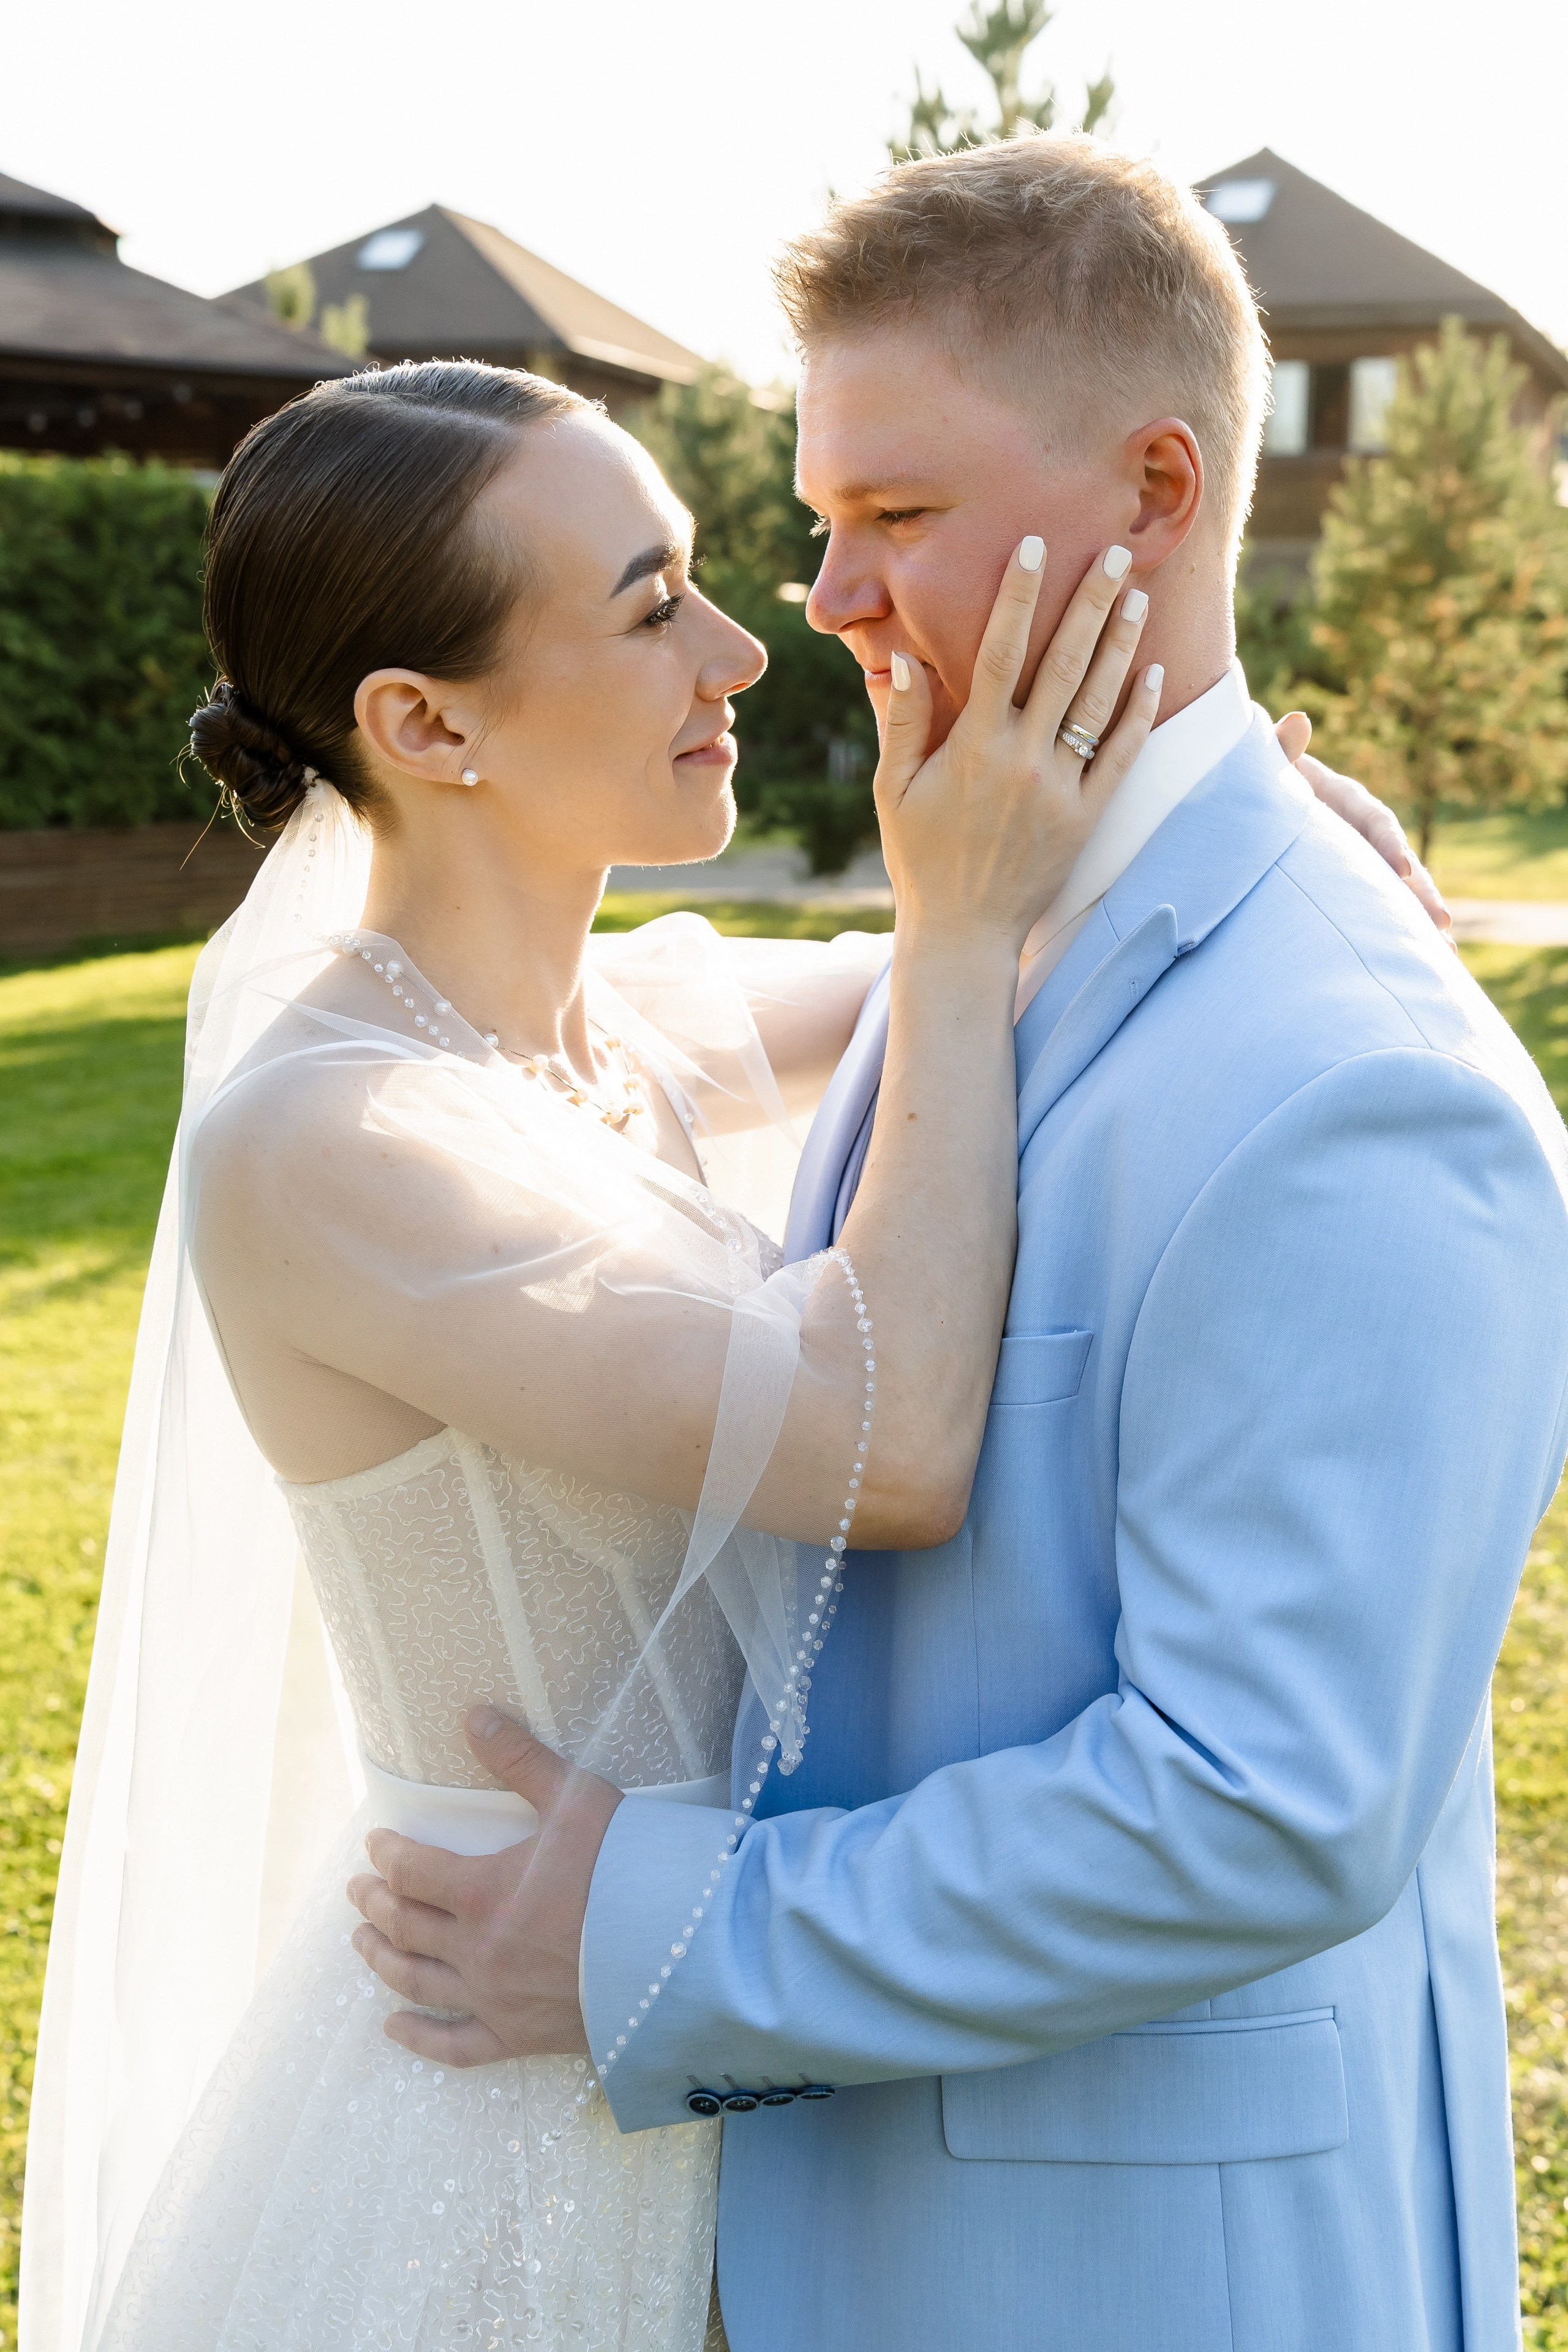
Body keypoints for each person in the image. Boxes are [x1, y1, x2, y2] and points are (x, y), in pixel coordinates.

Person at [343, 141, 1568, 2352]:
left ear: (1162, 493)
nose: (822, 594)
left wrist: (650, 1934)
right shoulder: (966, 921)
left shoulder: (1359, 1079)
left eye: (890, 516)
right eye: (821, 517)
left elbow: (1263, 1808)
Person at [23, 352, 1227, 2351]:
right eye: (652, 602)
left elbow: (1036, 938)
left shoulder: (630, 1021)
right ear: (424, 723)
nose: (745, 652)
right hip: (506, 2092)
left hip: (723, 1995)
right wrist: (944, 934)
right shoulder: (329, 1142)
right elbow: (891, 1441)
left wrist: (1238, 808)